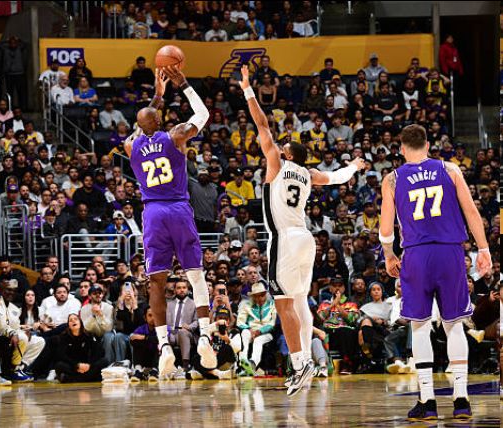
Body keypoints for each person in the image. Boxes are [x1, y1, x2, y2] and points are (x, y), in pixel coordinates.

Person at [239, 64, 365, 396]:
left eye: (283, 146)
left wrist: (248, 88)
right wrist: (354, 165)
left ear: (287, 154)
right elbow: (337, 177)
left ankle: (300, 364)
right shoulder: (308, 174)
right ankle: (306, 360)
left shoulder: (277, 164)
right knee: (299, 303)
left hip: (283, 238)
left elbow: (262, 124)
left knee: (283, 304)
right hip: (306, 238)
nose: (279, 146)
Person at [379, 124, 492, 420]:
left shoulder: (392, 179)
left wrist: (389, 255)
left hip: (416, 254)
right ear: (428, 145)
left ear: (401, 148)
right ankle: (461, 400)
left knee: (419, 326)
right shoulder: (450, 169)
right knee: (454, 324)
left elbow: (386, 228)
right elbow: (471, 212)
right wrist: (483, 249)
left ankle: (427, 401)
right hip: (450, 252)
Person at [124, 65, 214, 379]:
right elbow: (203, 114)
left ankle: (163, 345)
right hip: (177, 208)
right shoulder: (175, 135)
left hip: (152, 213)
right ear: (161, 121)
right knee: (196, 275)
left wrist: (157, 96)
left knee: (156, 282)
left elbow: (141, 125)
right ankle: (206, 336)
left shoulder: (131, 145)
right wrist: (184, 84)